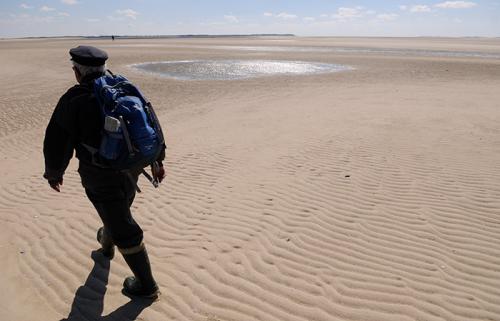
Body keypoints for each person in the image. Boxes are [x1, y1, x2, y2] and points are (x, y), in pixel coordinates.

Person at [43, 45, 165, 299]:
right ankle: (107, 244)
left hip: (99, 174)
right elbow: (150, 125)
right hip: (132, 168)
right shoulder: (124, 88)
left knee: (123, 225)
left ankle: (147, 286)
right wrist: (157, 160)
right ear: (103, 68)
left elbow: (57, 140)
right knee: (117, 210)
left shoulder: (74, 99)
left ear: (77, 72)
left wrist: (54, 172)